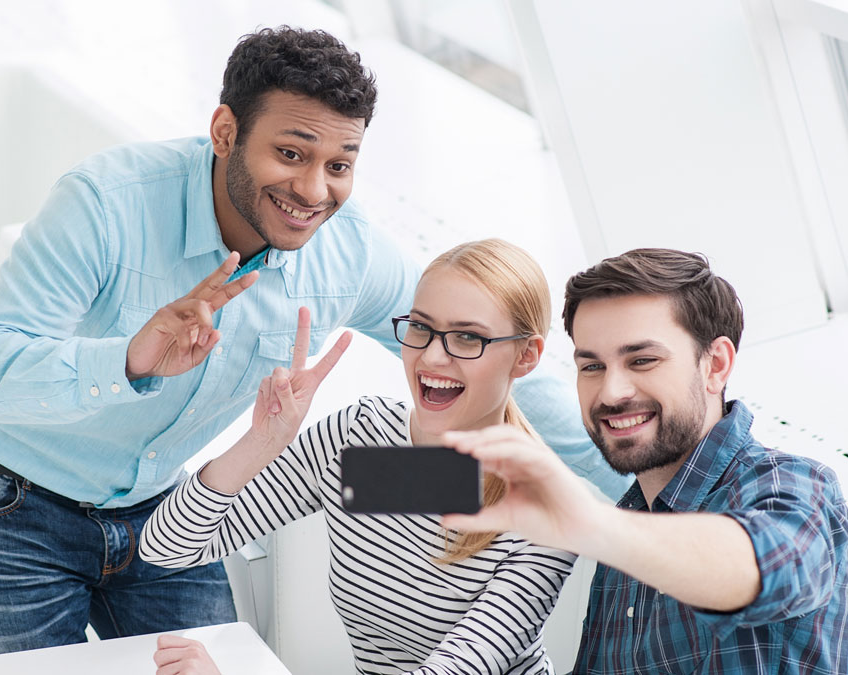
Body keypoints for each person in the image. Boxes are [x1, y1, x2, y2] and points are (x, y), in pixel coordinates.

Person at [0, 27, 626, 658]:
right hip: (8, 498)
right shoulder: (105, 204)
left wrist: (650, 483)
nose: (313, 189)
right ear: (224, 130)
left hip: (156, 500)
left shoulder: (348, 252)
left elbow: (490, 353)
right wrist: (130, 357)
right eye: (292, 152)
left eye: (340, 163)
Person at [140, 239, 577, 675]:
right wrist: (262, 442)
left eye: (467, 337)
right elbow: (166, 547)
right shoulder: (363, 444)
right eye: (421, 327)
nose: (431, 356)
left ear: (526, 356)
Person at [442, 248, 848, 674]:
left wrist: (592, 525)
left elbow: (769, 564)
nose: (612, 391)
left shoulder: (793, 483)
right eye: (592, 366)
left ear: (716, 365)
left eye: (642, 360)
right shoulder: (627, 526)